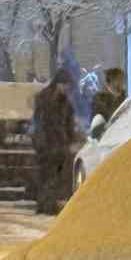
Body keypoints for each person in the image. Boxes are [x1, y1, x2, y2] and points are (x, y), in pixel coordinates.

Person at [31, 66, 77, 215]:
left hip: (59, 145)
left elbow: (69, 124)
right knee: (47, 175)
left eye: (68, 86)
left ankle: (47, 205)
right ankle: (46, 206)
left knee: (54, 177)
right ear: (58, 84)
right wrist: (42, 143)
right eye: (64, 85)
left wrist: (70, 140)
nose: (66, 89)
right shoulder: (44, 99)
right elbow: (40, 123)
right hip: (47, 144)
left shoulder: (66, 102)